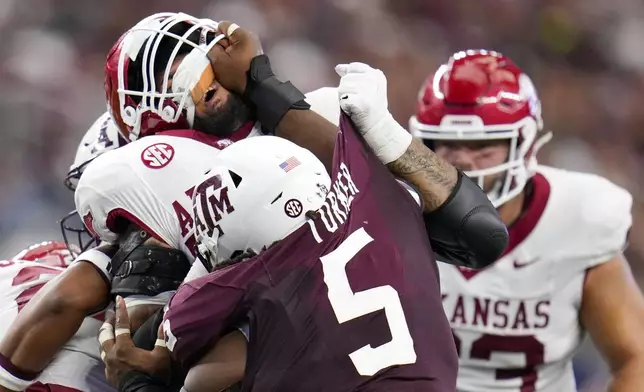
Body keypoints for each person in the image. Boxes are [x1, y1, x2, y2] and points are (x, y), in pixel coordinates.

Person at [409, 49, 644, 392]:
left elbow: (635, 357)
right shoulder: (396, 214)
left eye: (482, 145)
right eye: (446, 144)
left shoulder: (577, 218)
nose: (463, 161)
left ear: (525, 144)